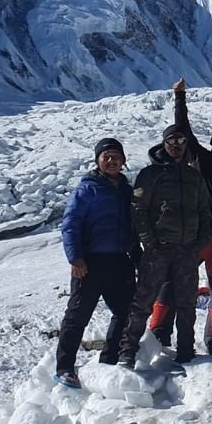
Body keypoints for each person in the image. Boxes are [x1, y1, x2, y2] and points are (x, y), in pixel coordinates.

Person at [148, 78, 212, 356]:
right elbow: (182, 130)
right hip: (198, 234)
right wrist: (179, 98)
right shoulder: (202, 158)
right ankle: (160, 331)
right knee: (174, 280)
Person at [118, 123, 211, 368]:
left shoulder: (194, 176)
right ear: (164, 143)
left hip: (187, 249)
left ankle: (185, 349)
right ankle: (127, 349)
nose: (176, 147)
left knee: (187, 302)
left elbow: (204, 210)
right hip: (158, 249)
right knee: (144, 301)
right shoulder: (151, 174)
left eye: (181, 142)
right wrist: (150, 242)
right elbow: (138, 209)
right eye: (172, 142)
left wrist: (200, 242)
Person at [54, 138, 141, 389]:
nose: (112, 160)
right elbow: (70, 225)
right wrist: (76, 258)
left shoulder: (126, 190)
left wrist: (136, 257)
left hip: (118, 260)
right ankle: (64, 367)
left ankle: (109, 359)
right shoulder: (87, 190)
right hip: (90, 262)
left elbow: (131, 228)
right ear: (98, 161)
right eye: (106, 156)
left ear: (123, 161)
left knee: (125, 313)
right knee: (77, 316)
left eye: (116, 156)